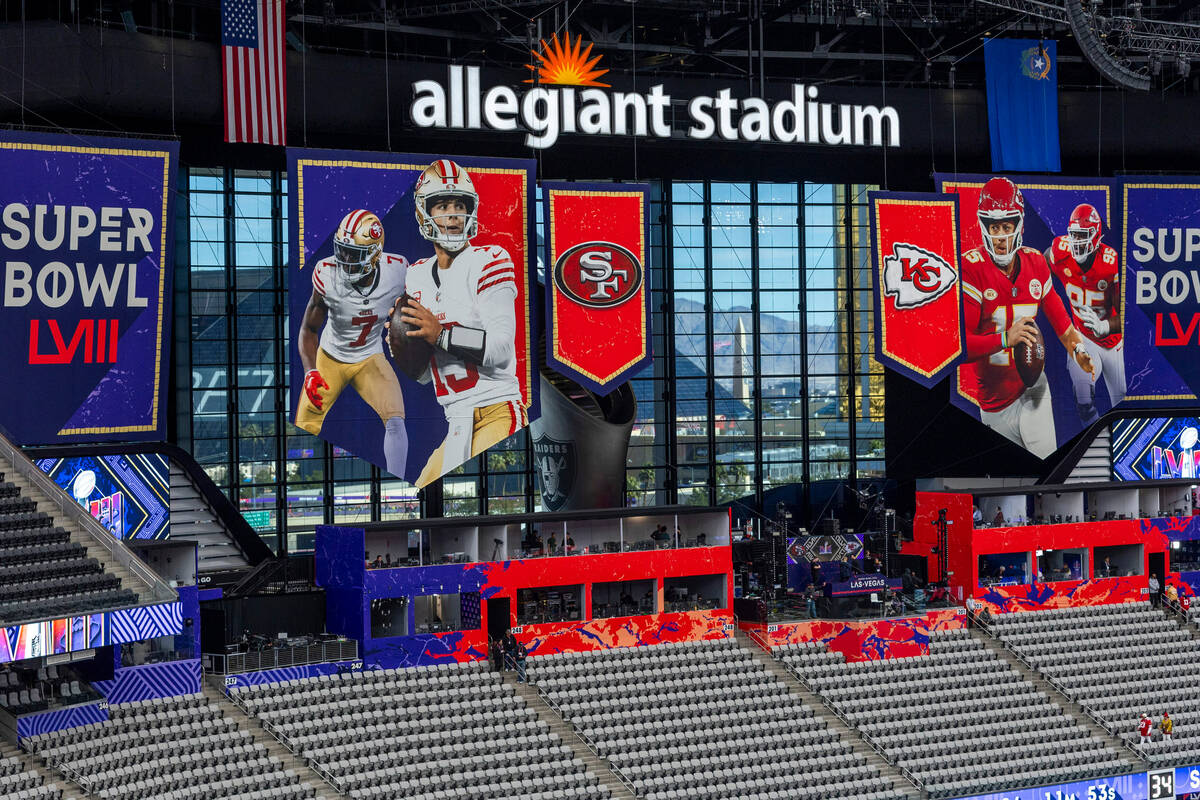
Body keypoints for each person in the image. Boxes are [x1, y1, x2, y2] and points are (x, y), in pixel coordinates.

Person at [391, 160, 527, 488]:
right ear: (425, 213)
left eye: (459, 205)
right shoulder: (417, 274)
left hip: (498, 411)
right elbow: (428, 377)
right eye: (442, 205)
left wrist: (440, 334)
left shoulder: (489, 260)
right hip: (455, 421)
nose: (452, 214)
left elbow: (501, 350)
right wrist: (403, 347)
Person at [961, 178, 1095, 458]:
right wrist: (1004, 339)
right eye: (994, 227)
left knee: (1043, 458)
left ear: (1018, 225)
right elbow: (962, 346)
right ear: (984, 227)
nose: (1000, 236)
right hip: (992, 401)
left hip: (1032, 386)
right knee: (1009, 481)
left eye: (1006, 226)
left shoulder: (1035, 262)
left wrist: (1078, 349)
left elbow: (1061, 320)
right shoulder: (972, 268)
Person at [295, 209, 411, 476]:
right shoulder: (326, 274)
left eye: (352, 253)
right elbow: (308, 329)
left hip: (370, 357)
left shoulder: (398, 271)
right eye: (341, 250)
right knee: (305, 423)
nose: (344, 259)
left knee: (396, 422)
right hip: (330, 357)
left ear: (374, 254)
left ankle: (402, 492)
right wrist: (311, 372)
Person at [1044, 204, 1125, 423]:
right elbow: (1039, 268)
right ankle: (1092, 439)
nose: (1077, 242)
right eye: (1074, 234)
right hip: (1083, 338)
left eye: (1083, 235)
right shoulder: (1060, 251)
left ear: (1096, 236)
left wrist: (1104, 326)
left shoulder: (1111, 263)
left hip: (1113, 342)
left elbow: (1126, 317)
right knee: (1083, 400)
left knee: (1123, 403)